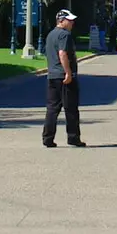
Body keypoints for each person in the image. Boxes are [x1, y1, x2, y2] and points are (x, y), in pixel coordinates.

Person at [42, 9, 85, 148]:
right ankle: (73, 137)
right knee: (71, 108)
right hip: (64, 76)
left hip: (52, 75)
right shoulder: (64, 35)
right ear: (61, 20)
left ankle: (47, 138)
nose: (72, 23)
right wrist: (68, 72)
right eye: (69, 20)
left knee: (52, 108)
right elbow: (62, 53)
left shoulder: (51, 34)